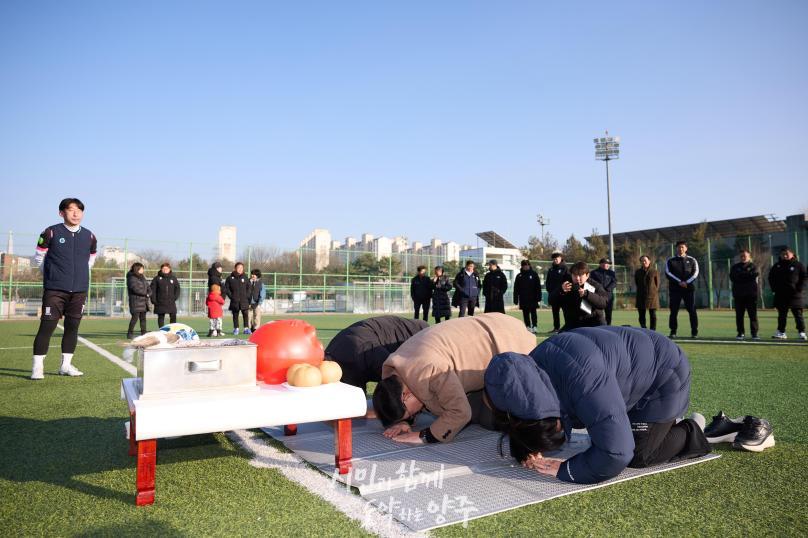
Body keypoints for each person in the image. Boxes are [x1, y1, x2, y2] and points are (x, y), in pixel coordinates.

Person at [483, 326, 710, 484]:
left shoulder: (584, 379)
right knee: (605, 428)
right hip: (631, 369)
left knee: (638, 455)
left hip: (664, 376)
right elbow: (553, 407)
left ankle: (691, 430)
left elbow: (617, 453)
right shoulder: (531, 370)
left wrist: (566, 470)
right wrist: (531, 449)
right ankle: (659, 426)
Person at [372, 313, 537, 444]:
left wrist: (424, 436)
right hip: (488, 334)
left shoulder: (429, 369)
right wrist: (405, 422)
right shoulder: (398, 370)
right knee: (483, 414)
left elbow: (460, 412)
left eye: (409, 413)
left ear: (406, 395)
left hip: (508, 339)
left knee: (509, 416)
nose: (412, 415)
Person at [30, 198, 97, 379]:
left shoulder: (89, 235)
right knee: (47, 327)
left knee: (72, 327)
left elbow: (91, 259)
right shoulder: (51, 232)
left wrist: (81, 274)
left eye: (79, 210)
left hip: (79, 290)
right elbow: (38, 257)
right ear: (62, 213)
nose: (76, 214)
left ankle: (65, 365)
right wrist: (53, 274)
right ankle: (37, 367)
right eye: (71, 210)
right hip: (55, 289)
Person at [324, 316, 429, 393]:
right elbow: (356, 400)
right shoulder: (336, 360)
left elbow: (398, 380)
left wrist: (378, 411)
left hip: (419, 336)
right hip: (386, 342)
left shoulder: (365, 352)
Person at [550, 262, 609, 331]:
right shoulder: (566, 285)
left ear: (587, 275)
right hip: (572, 325)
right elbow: (551, 301)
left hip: (595, 325)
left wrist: (587, 294)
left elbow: (604, 303)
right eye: (574, 275)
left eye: (580, 275)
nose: (577, 278)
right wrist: (561, 291)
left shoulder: (595, 285)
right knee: (559, 340)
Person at [768, 247, 806, 340]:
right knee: (782, 315)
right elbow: (771, 278)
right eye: (783, 254)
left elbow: (805, 277)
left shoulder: (798, 265)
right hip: (781, 295)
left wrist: (800, 288)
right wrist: (774, 289)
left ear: (792, 254)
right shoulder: (777, 266)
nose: (785, 256)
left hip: (795, 295)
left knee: (798, 315)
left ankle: (801, 332)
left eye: (787, 254)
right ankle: (781, 332)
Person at [665, 241, 699, 339]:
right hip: (675, 289)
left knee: (692, 310)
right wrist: (680, 282)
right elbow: (668, 273)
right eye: (679, 247)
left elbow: (695, 273)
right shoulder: (670, 260)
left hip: (689, 290)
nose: (681, 249)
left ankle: (694, 332)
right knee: (674, 311)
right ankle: (673, 331)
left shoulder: (692, 260)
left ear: (686, 248)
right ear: (676, 248)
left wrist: (686, 282)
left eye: (682, 247)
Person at [730, 249, 760, 340]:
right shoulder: (735, 267)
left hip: (751, 295)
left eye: (745, 256)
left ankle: (754, 334)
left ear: (749, 257)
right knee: (739, 315)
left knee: (753, 315)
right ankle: (740, 333)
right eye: (741, 256)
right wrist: (747, 275)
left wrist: (741, 275)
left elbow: (753, 276)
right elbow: (733, 278)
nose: (743, 257)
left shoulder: (754, 266)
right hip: (738, 295)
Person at [513, 259, 542, 333]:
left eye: (527, 265)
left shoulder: (534, 274)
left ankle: (534, 326)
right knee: (525, 313)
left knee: (533, 312)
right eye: (524, 265)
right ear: (522, 266)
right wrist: (515, 298)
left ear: (529, 265)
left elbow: (538, 286)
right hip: (523, 298)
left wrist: (539, 296)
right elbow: (516, 288)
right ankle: (528, 326)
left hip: (533, 298)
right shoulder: (519, 276)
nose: (526, 267)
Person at [149, 263, 180, 327]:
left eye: (167, 268)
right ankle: (162, 330)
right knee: (161, 317)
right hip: (160, 301)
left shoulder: (173, 278)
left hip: (171, 301)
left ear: (169, 269)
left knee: (173, 315)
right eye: (163, 268)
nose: (165, 270)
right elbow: (152, 290)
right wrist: (154, 300)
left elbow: (177, 289)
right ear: (161, 269)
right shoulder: (156, 278)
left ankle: (172, 329)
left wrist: (175, 297)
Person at [224, 262, 251, 335]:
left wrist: (247, 296)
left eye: (241, 268)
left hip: (244, 300)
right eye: (238, 267)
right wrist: (231, 296)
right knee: (235, 315)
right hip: (234, 301)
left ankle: (246, 328)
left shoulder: (245, 278)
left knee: (245, 314)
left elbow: (249, 288)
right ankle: (236, 328)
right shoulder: (230, 278)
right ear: (235, 268)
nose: (240, 269)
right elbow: (227, 288)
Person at [545, 252, 569, 333]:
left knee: (566, 312)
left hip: (563, 295)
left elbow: (568, 280)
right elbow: (548, 281)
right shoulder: (551, 269)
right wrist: (550, 290)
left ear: (560, 258)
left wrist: (565, 291)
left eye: (557, 258)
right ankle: (556, 328)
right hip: (554, 295)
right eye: (554, 259)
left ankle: (568, 327)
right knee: (555, 312)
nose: (555, 260)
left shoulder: (565, 268)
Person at [634, 255, 660, 331]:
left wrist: (652, 292)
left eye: (645, 260)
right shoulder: (638, 272)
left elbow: (657, 284)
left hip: (652, 296)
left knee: (653, 315)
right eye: (642, 261)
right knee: (641, 315)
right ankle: (644, 329)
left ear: (649, 261)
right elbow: (637, 283)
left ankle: (653, 330)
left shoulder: (654, 271)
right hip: (641, 296)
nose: (644, 262)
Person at [589, 258, 617, 325]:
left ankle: (608, 327)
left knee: (608, 314)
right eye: (606, 263)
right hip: (597, 296)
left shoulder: (612, 273)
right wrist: (599, 290)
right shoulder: (593, 273)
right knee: (597, 313)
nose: (607, 265)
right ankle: (598, 327)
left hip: (608, 297)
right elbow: (591, 283)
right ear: (601, 264)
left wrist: (608, 289)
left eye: (608, 264)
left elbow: (614, 282)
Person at [126, 262, 149, 339]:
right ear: (137, 269)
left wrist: (149, 293)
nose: (143, 270)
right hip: (135, 302)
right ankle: (129, 333)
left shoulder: (142, 277)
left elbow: (148, 287)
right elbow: (135, 289)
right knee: (135, 318)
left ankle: (144, 333)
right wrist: (146, 294)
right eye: (142, 268)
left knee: (143, 319)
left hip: (143, 302)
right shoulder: (131, 278)